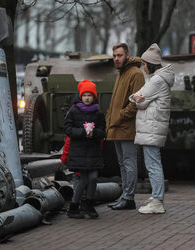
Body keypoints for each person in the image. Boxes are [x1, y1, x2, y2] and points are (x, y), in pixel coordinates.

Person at [129, 43, 174, 214]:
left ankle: (157, 201)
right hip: (152, 127)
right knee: (153, 163)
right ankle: (157, 196)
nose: (143, 67)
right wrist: (141, 100)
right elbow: (141, 99)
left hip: (152, 127)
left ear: (151, 64)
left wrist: (139, 99)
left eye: (144, 64)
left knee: (153, 164)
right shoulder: (158, 79)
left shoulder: (156, 80)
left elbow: (136, 98)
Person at [105, 43, 145, 210]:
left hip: (126, 127)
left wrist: (120, 116)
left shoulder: (135, 74)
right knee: (122, 163)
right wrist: (110, 119)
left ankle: (129, 197)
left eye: (119, 55)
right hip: (116, 127)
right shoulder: (121, 73)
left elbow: (136, 102)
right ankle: (125, 196)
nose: (116, 59)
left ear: (127, 55)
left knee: (129, 162)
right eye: (114, 56)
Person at [65, 80, 106, 219]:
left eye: (89, 95)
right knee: (83, 179)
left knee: (93, 178)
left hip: (93, 151)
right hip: (79, 151)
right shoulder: (74, 111)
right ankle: (74, 206)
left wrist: (95, 133)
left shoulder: (98, 113)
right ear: (80, 96)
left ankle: (88, 203)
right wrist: (82, 132)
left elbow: (103, 131)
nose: (87, 98)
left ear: (94, 97)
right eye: (84, 95)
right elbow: (68, 129)